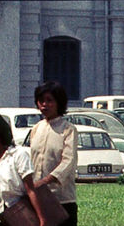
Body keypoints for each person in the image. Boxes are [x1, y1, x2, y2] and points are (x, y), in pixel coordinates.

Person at [30, 80, 78, 226]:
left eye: (49, 100)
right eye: (41, 101)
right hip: (38, 198)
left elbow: (68, 162)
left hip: (61, 198)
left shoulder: (68, 129)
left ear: (59, 103)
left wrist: (45, 181)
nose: (44, 104)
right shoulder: (36, 128)